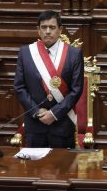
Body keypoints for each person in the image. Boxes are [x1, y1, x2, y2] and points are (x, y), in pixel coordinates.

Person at [14, 10, 84, 148]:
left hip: (62, 125)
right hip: (35, 126)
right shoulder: (26, 53)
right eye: (43, 27)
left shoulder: (74, 54)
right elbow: (19, 88)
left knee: (64, 169)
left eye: (52, 27)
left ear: (60, 29)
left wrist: (54, 113)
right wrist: (37, 111)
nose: (47, 31)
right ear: (38, 30)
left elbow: (76, 90)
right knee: (34, 169)